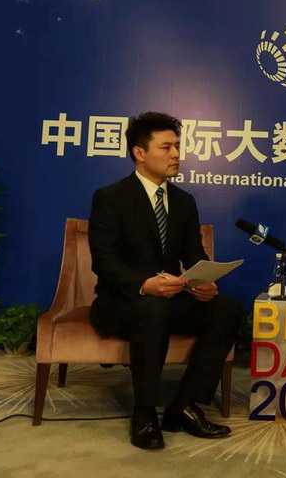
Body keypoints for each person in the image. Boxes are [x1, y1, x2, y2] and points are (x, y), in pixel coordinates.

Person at [88, 111, 243, 450]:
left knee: (227, 308)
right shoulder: (111, 197)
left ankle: (184, 406)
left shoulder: (184, 202)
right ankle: (145, 413)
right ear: (139, 153)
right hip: (122, 302)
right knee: (152, 308)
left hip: (169, 299)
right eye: (165, 147)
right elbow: (104, 261)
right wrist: (145, 284)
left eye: (177, 146)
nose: (176, 154)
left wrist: (202, 281)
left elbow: (193, 254)